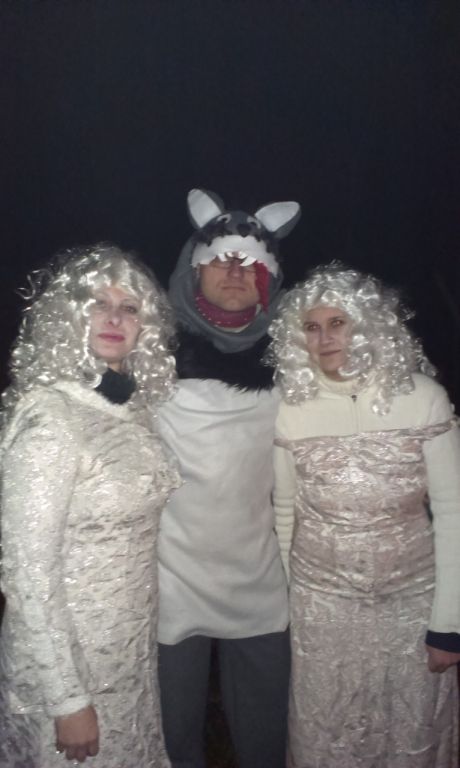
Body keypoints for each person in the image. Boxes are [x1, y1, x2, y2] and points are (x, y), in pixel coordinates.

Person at [269, 263, 460, 768]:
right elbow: (285, 513)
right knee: (327, 735)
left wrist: (449, 623)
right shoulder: (291, 408)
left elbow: (453, 511)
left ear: (370, 324)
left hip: (412, 601)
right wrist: (291, 606)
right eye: (312, 327)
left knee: (412, 732)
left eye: (339, 322)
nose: (325, 338)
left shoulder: (423, 397)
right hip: (321, 606)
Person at [0, 243, 179, 767]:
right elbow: (26, 572)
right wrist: (67, 700)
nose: (114, 318)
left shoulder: (129, 408)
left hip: (127, 652)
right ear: (68, 317)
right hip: (69, 663)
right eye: (98, 304)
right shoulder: (51, 419)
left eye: (129, 308)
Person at [156, 188, 301, 768]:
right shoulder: (151, 356)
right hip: (170, 584)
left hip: (259, 581)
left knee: (266, 743)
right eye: (220, 259)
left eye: (250, 264)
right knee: (172, 742)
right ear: (193, 270)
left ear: (270, 280)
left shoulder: (294, 361)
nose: (235, 272)